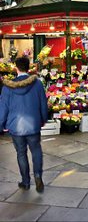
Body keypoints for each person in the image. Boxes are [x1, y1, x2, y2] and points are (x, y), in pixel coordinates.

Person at [0, 56, 48, 193]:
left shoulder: (7, 87)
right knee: (36, 150)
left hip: (15, 126)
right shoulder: (37, 83)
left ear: (16, 68)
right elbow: (43, 104)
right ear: (29, 67)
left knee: (21, 153)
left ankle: (26, 182)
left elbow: (3, 108)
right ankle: (38, 175)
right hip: (33, 124)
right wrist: (43, 119)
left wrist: (1, 124)